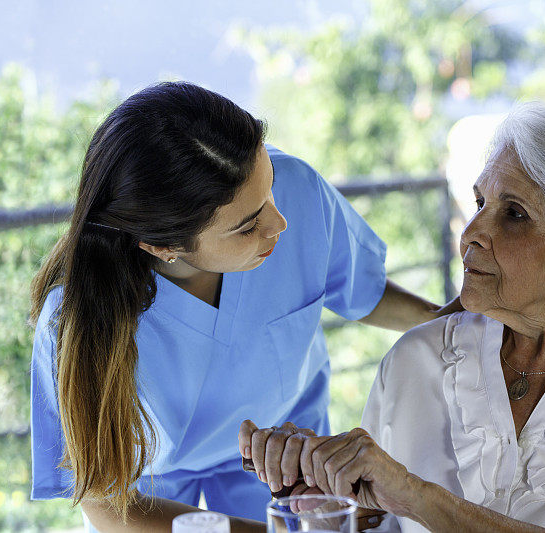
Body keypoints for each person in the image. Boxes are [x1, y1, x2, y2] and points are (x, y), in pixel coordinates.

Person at [240, 102, 545, 532]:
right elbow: (377, 522)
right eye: (480, 203)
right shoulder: (417, 358)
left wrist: (419, 497)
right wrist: (323, 495)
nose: (471, 234)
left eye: (514, 215)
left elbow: (408, 498)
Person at [29, 82, 458, 532]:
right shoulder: (73, 323)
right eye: (248, 226)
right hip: (153, 498)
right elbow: (109, 503)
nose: (280, 222)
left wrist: (456, 325)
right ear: (164, 246)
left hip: (289, 465)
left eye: (270, 187)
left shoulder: (298, 191)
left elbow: (360, 290)